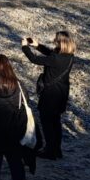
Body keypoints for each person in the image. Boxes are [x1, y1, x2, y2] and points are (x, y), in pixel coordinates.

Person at [21, 31, 76, 159]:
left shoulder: (55, 58)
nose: (54, 42)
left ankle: (50, 151)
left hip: (50, 94)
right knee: (56, 122)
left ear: (61, 43)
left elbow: (34, 59)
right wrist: (37, 45)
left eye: (56, 41)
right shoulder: (69, 56)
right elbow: (51, 54)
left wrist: (24, 47)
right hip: (62, 93)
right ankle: (56, 150)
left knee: (47, 123)